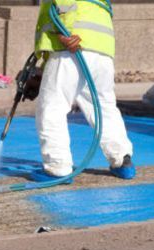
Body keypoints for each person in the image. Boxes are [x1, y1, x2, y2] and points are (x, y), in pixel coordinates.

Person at [29, 0, 135, 182]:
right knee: (103, 106)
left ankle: (57, 168)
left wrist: (61, 37)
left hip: (70, 46)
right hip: (102, 51)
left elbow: (62, 8)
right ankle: (122, 160)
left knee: (52, 107)